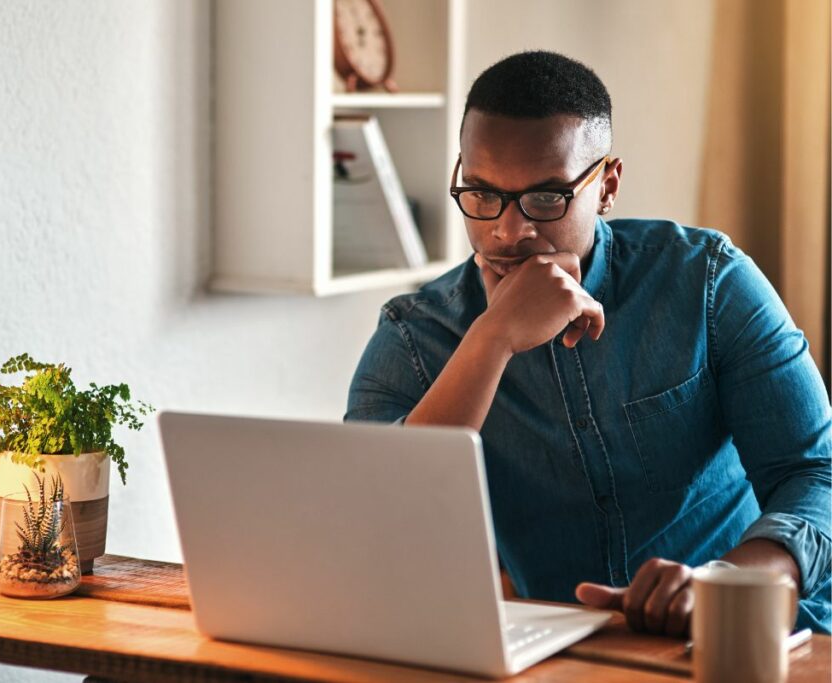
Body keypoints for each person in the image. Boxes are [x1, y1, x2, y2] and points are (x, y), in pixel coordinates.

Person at [345, 50, 831, 637]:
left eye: (547, 198)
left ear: (607, 186)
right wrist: (491, 339)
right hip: (557, 651)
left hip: (751, 632)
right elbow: (375, 514)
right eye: (480, 193)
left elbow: (814, 472)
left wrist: (728, 584)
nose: (508, 230)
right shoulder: (414, 333)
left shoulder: (707, 280)